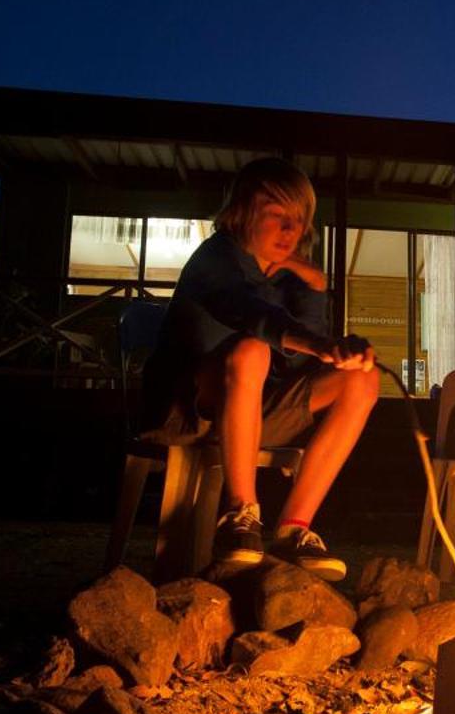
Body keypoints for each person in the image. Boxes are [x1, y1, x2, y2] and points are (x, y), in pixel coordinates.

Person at [135, 157, 380, 580]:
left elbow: (301, 360)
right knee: (252, 350)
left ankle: (294, 528)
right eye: (277, 215)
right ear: (242, 212)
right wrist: (318, 342)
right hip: (184, 408)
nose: (291, 230)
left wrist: (314, 290)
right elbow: (245, 310)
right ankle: (240, 516)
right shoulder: (217, 257)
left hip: (252, 412)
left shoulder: (283, 282)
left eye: (299, 220)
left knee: (362, 378)